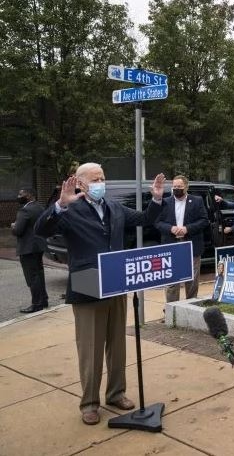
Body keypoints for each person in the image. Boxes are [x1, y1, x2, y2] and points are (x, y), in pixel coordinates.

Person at [35, 163, 165, 425]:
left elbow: (145, 219)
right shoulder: (69, 210)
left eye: (103, 178)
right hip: (87, 285)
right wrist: (60, 205)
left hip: (116, 282)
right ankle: (90, 403)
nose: (100, 182)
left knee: (117, 343)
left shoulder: (113, 207)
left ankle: (116, 393)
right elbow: (42, 230)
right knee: (91, 349)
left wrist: (157, 199)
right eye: (95, 179)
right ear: (81, 183)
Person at [155, 175, 209, 303]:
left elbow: (204, 220)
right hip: (171, 244)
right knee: (171, 280)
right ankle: (172, 308)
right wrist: (171, 228)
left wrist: (187, 229)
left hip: (191, 244)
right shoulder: (165, 202)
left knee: (192, 279)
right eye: (174, 187)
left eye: (179, 187)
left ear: (186, 187)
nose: (176, 189)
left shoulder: (197, 200)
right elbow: (157, 222)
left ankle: (190, 305)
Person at [12, 188, 47, 313]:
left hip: (27, 248)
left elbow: (18, 230)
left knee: (32, 277)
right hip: (39, 246)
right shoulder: (40, 207)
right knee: (39, 274)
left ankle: (36, 304)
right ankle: (44, 300)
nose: (19, 196)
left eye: (21, 194)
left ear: (29, 195)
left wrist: (13, 226)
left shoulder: (25, 210)